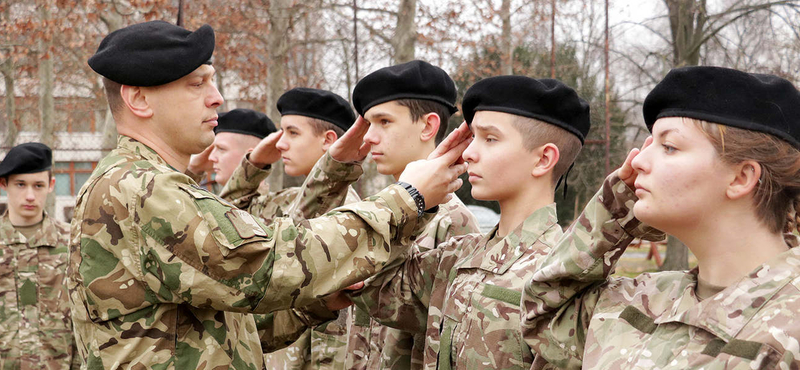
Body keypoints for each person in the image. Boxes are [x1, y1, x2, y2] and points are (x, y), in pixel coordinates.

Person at [68, 20, 468, 369]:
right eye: (197, 84)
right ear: (138, 99)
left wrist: (319, 304)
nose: (217, 97)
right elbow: (269, 264)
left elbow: (221, 328)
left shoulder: (150, 183)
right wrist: (407, 199)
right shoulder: (142, 189)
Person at [520, 66, 800, 369]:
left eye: (669, 146)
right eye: (650, 143)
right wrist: (616, 206)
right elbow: (544, 314)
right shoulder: (638, 301)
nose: (637, 159)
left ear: (741, 177)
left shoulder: (790, 327)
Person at [344, 75, 590, 369]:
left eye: (490, 138)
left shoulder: (563, 273)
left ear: (543, 159)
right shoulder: (457, 256)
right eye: (472, 138)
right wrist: (414, 202)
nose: (469, 153)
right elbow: (376, 287)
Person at [296, 60, 479, 369]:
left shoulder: (452, 223)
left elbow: (445, 341)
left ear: (428, 126)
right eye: (368, 124)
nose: (368, 137)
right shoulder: (375, 213)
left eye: (384, 122)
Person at [219, 87, 362, 369]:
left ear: (328, 141)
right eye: (281, 133)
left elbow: (332, 336)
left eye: (293, 133)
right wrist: (255, 164)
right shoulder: (283, 203)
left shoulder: (345, 217)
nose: (281, 144)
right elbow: (223, 222)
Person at [0, 142, 77, 369]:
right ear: (4, 184)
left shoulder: (72, 241)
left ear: (51, 185)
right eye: (21, 185)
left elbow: (84, 317)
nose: (30, 195)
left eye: (38, 185)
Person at [187, 108, 277, 190]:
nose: (211, 157)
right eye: (213, 148)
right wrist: (193, 169)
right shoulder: (218, 202)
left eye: (221, 149)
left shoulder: (273, 206)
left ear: (251, 155)